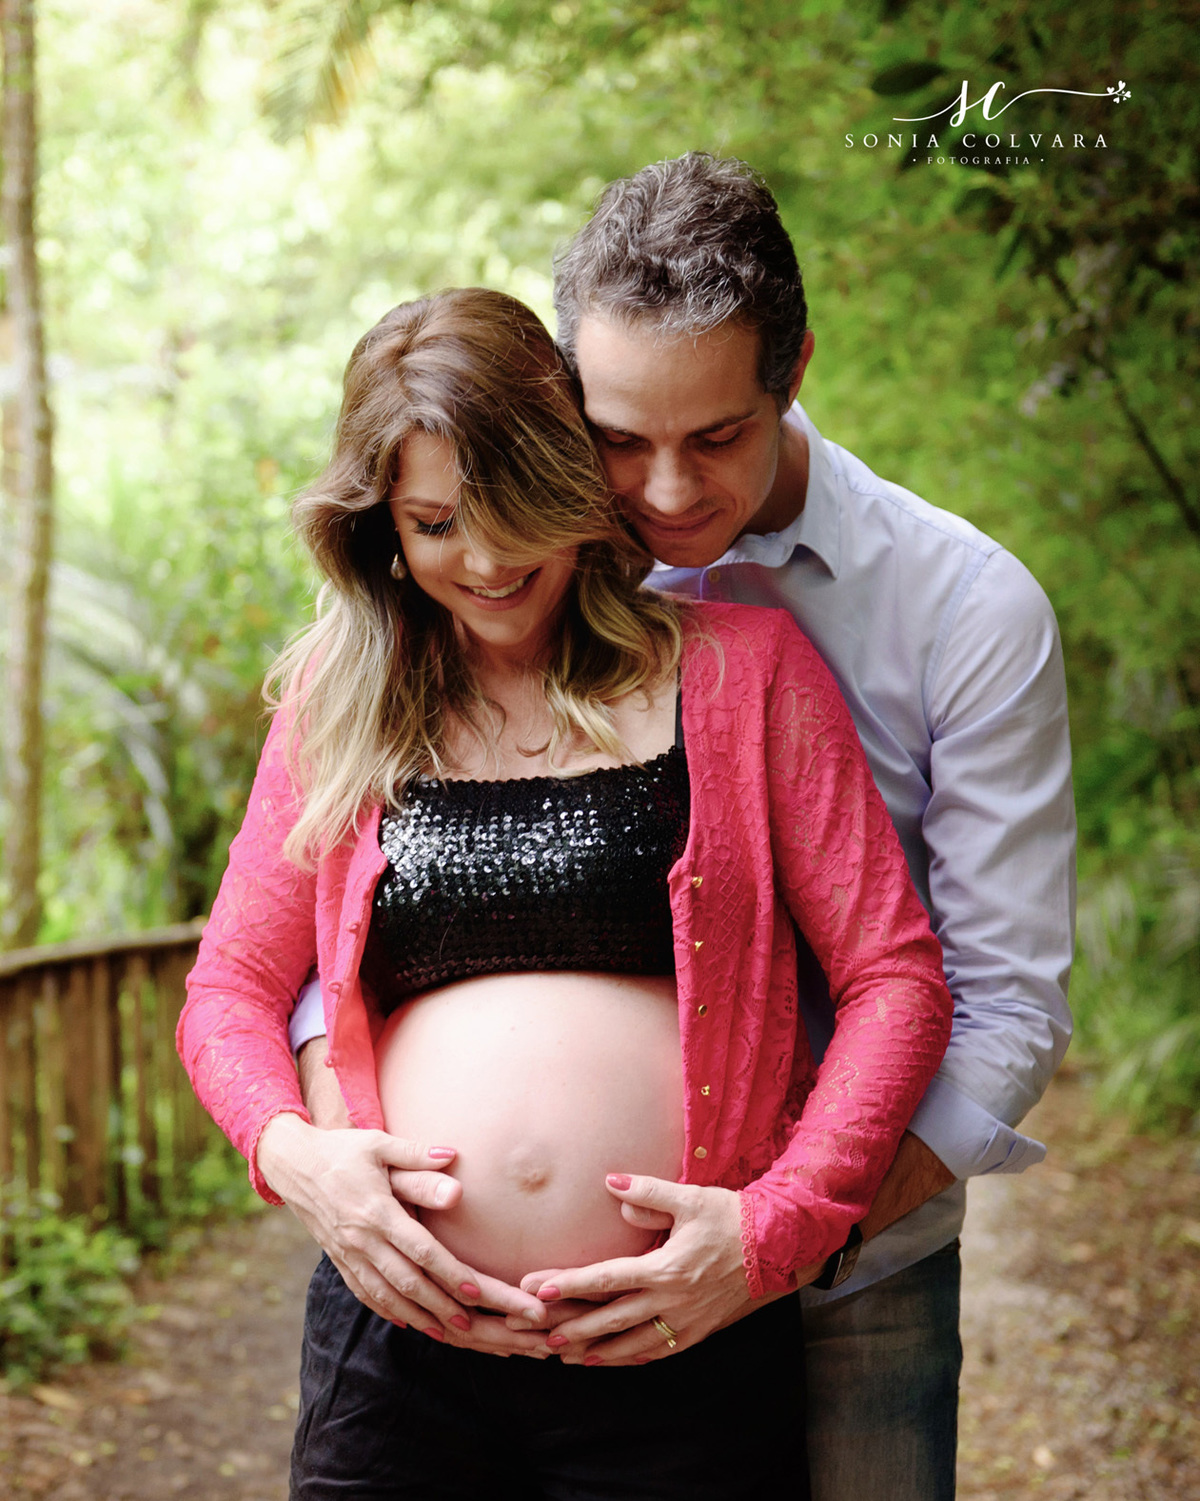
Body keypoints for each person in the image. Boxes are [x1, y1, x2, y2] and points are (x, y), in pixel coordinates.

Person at [290, 155, 1077, 1499]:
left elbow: (998, 1002)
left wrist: (782, 1232)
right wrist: (324, 1135)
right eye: (616, 436)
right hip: (468, 1338)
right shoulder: (511, 566)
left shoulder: (965, 609)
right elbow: (343, 892)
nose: (658, 495)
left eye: (715, 437)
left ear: (794, 371)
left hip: (855, 1254)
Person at [178, 286, 954, 1499]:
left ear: (572, 485)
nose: (484, 562)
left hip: (682, 1346)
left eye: (514, 513)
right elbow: (230, 986)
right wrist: (296, 1157)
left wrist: (770, 1233)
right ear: (381, 523)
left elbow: (893, 978)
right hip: (398, 1358)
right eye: (436, 523)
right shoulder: (341, 699)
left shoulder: (743, 675)